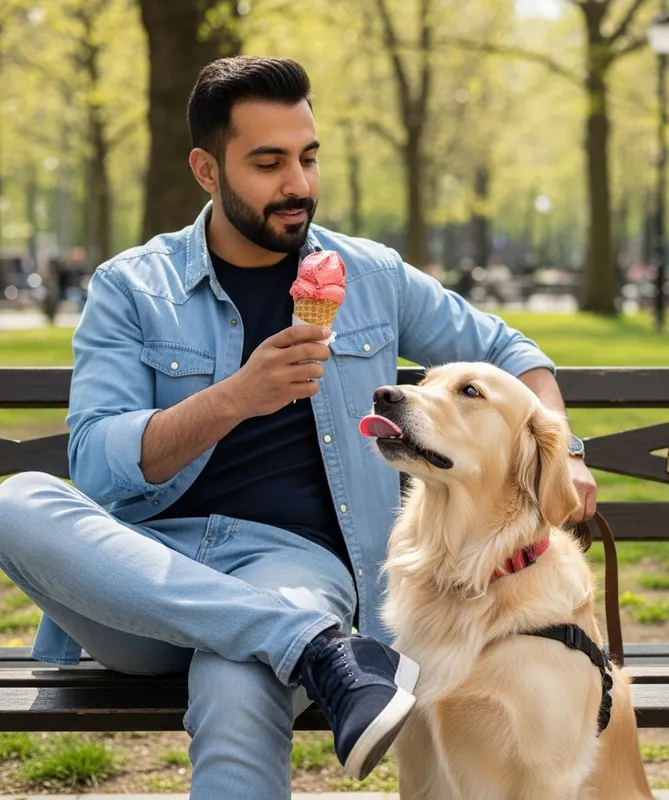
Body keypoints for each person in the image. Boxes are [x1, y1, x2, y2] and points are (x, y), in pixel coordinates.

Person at [0, 56, 597, 799]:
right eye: (268, 163)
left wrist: (567, 451)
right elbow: (95, 465)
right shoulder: (133, 287)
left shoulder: (371, 275)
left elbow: (513, 353)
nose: (298, 184)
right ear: (206, 170)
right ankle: (317, 649)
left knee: (239, 681)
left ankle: (297, 636)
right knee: (16, 500)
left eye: (308, 157)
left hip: (292, 569)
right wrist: (236, 397)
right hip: (145, 573)